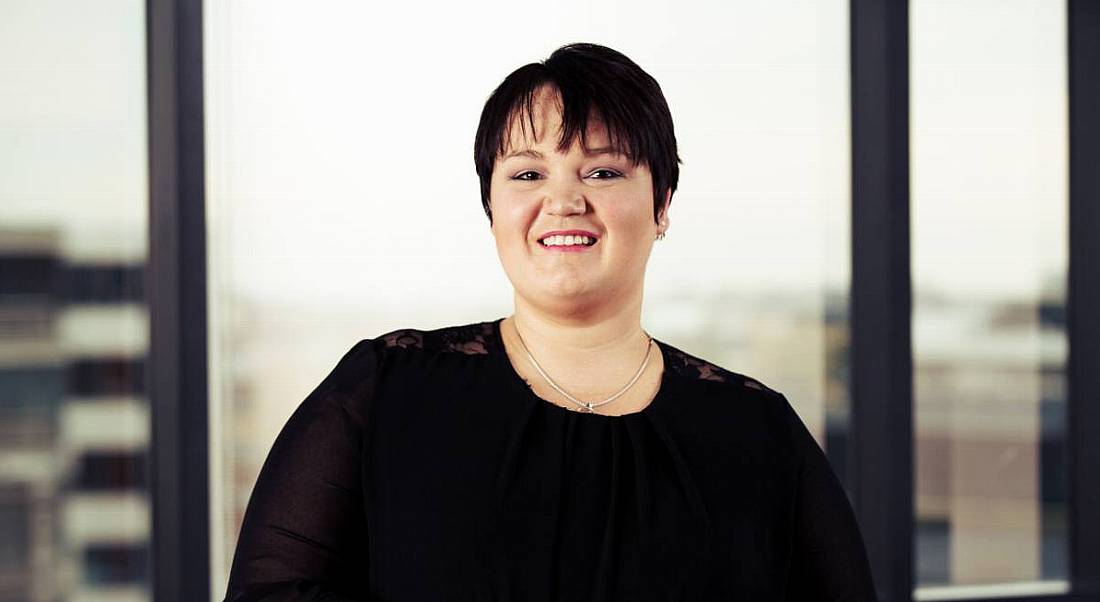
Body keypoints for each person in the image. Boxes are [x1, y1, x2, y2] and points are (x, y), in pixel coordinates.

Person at [223, 42, 876, 601]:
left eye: (602, 170)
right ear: (491, 206)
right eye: (528, 172)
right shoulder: (385, 390)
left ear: (663, 203)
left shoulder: (757, 430)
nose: (563, 200)